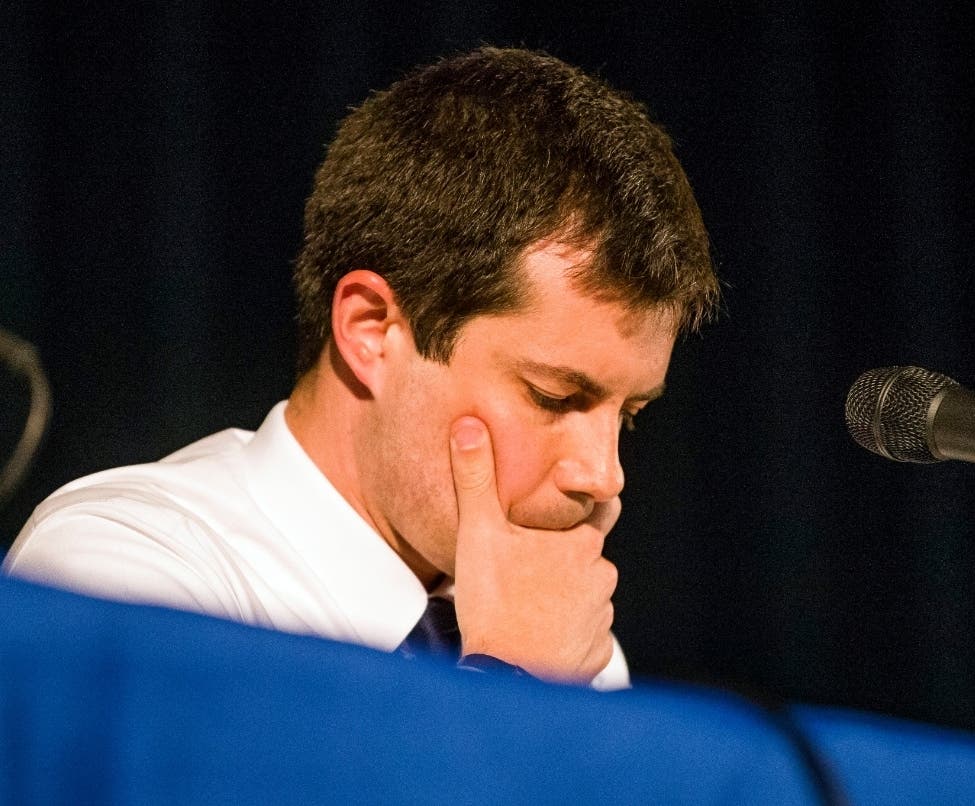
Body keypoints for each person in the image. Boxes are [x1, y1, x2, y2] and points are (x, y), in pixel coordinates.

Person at [4, 46, 718, 688]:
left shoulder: (563, 640)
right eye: (554, 396)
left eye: (627, 416)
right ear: (371, 330)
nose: (604, 475)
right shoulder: (126, 572)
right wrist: (510, 687)